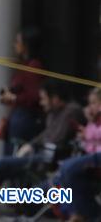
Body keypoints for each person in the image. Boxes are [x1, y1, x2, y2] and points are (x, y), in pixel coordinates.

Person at [0, 80, 85, 190]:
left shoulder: (71, 111)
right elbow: (45, 134)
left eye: (44, 98)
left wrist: (33, 146)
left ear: (55, 98)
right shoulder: (54, 112)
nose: (41, 103)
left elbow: (56, 138)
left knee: (4, 164)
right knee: (4, 166)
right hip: (44, 156)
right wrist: (30, 145)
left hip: (53, 160)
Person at [52, 87, 101, 222]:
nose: (90, 107)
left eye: (93, 103)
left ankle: (85, 213)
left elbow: (95, 135)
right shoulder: (95, 120)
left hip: (97, 159)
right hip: (92, 160)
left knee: (68, 168)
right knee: (60, 176)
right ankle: (73, 213)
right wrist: (88, 124)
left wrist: (88, 134)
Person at [0, 28, 44, 153]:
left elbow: (35, 96)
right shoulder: (25, 65)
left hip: (26, 118)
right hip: (17, 116)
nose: (15, 45)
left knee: (14, 155)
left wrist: (14, 98)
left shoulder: (34, 66)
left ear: (26, 45)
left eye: (18, 42)